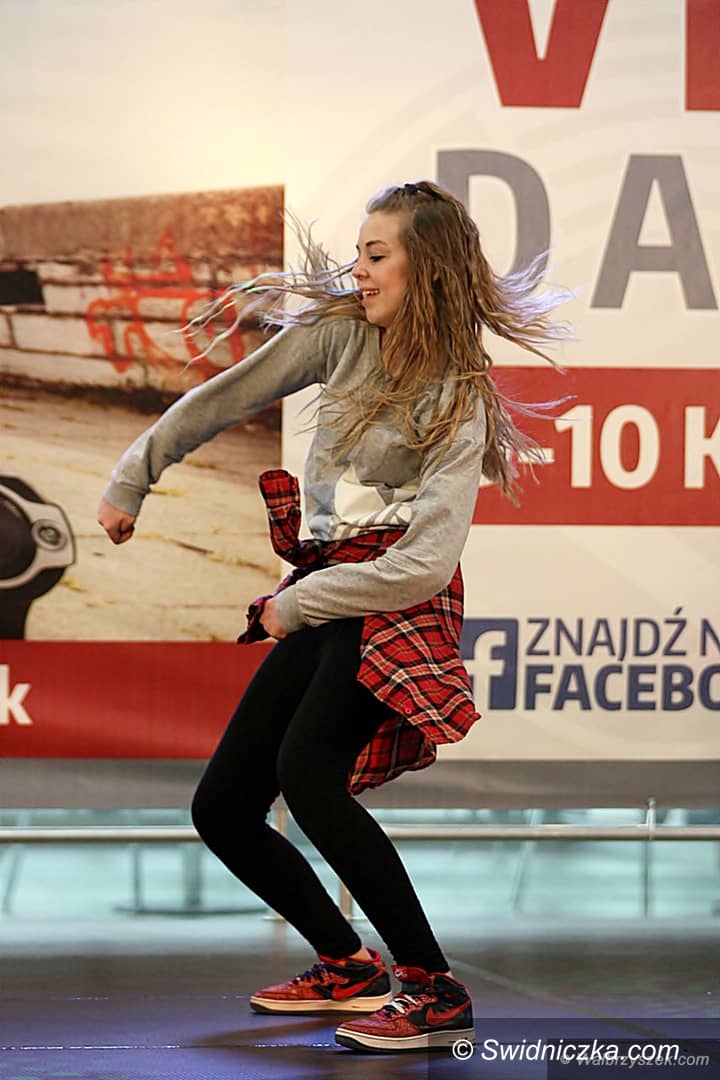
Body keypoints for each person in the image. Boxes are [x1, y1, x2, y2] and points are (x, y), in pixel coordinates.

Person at [98, 180, 567, 1054]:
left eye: (376, 255)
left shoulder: (460, 396)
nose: (359, 271)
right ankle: (347, 964)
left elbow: (422, 564)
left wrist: (296, 604)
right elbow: (227, 395)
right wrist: (135, 475)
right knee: (224, 808)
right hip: (328, 586)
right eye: (358, 253)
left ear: (428, 269)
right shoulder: (341, 334)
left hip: (392, 600)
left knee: (310, 778)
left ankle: (434, 989)